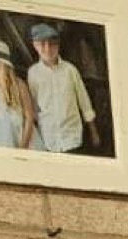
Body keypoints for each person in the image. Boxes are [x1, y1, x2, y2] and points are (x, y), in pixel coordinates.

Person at [26, 21, 100, 154]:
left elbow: (84, 101)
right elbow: (33, 104)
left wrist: (93, 132)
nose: (48, 49)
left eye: (52, 44)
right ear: (35, 46)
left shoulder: (70, 70)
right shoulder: (33, 73)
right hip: (48, 137)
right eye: (42, 44)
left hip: (72, 136)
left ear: (58, 46)